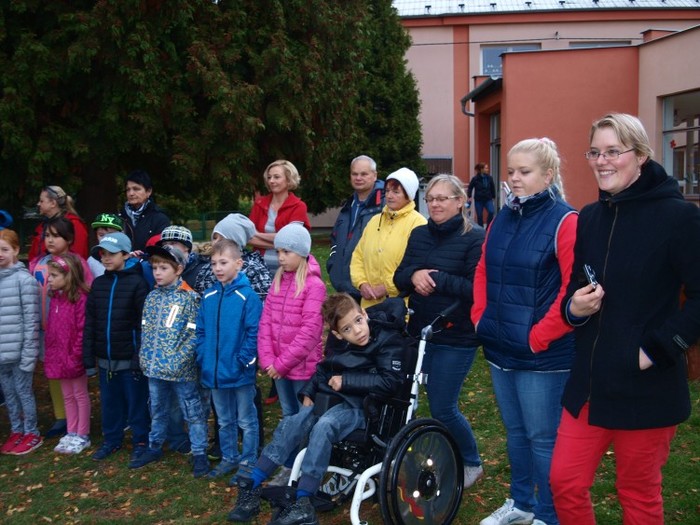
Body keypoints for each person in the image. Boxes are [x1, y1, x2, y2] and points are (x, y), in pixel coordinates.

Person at [549, 113, 700, 525]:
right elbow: (576, 287)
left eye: (613, 151)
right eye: (594, 152)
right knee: (564, 482)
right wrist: (573, 309)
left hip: (646, 386)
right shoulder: (590, 217)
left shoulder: (679, 218)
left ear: (641, 155)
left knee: (638, 492)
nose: (602, 161)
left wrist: (657, 349)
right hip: (590, 383)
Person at [227, 293, 409, 525]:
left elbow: (391, 382)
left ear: (364, 314)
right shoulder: (342, 345)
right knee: (296, 420)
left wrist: (346, 381)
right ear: (338, 334)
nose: (357, 331)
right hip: (339, 401)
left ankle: (304, 499)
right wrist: (309, 392)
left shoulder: (389, 340)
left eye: (358, 321)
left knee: (324, 425)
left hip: (370, 410)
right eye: (347, 329)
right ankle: (253, 482)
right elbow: (324, 369)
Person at [472, 138, 577, 525]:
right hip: (500, 349)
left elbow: (572, 291)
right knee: (516, 433)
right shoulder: (504, 216)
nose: (514, 178)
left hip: (543, 356)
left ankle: (548, 515)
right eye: (511, 171)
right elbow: (483, 268)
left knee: (543, 439)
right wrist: (480, 317)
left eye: (524, 172)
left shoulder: (565, 221)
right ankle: (521, 504)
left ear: (548, 175)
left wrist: (537, 338)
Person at [394, 173, 486, 489]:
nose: (434, 204)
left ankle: (471, 461)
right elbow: (399, 276)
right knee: (409, 400)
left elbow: (476, 288)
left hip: (456, 336)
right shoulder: (419, 234)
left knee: (443, 406)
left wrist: (437, 279)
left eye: (442, 198)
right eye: (430, 199)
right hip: (418, 332)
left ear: (460, 202)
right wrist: (414, 275)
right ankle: (432, 452)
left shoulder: (475, 238)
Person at [128, 244, 210, 477]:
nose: (157, 272)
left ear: (178, 269)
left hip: (181, 371)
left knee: (192, 411)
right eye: (155, 267)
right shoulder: (152, 297)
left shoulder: (189, 298)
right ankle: (154, 446)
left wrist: (179, 360)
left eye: (164, 268)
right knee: (157, 409)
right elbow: (146, 331)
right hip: (155, 370)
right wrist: (145, 358)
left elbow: (194, 335)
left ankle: (199, 453)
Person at [257, 223, 326, 484]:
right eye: (278, 252)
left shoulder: (314, 286)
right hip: (279, 368)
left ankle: (299, 467)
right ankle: (288, 463)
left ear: (301, 252)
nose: (280, 257)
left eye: (286, 252)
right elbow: (265, 323)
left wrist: (281, 364)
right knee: (288, 416)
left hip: (301, 369)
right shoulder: (278, 281)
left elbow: (309, 333)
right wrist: (268, 360)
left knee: (302, 419)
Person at [196, 240, 263, 482]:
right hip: (214, 373)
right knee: (224, 420)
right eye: (214, 263)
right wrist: (204, 357)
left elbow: (254, 333)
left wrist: (242, 361)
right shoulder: (209, 296)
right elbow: (200, 331)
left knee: (246, 420)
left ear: (238, 263)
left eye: (223, 262)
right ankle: (229, 457)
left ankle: (248, 461)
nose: (218, 268)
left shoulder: (248, 297)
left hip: (239, 372)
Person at [83, 232, 151, 463]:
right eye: (103, 254)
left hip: (130, 360)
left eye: (111, 253)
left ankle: (141, 441)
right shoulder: (99, 284)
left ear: (125, 255)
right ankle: (111, 440)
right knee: (110, 404)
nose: (106, 258)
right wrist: (89, 358)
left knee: (136, 403)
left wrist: (138, 357)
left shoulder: (137, 283)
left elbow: (143, 324)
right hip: (106, 360)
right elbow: (91, 322)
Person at [29, 216, 93, 439]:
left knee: (77, 389)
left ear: (69, 239)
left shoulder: (77, 266)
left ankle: (80, 430)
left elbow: (83, 313)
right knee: (59, 381)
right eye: (47, 235)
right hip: (52, 335)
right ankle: (64, 421)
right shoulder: (39, 264)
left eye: (56, 236)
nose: (50, 240)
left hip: (72, 342)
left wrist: (78, 350)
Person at [351, 167, 427, 308]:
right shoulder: (374, 221)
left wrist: (387, 287)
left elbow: (416, 265)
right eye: (387, 191)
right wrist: (361, 283)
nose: (389, 196)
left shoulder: (418, 223)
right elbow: (358, 256)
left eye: (396, 192)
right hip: (369, 305)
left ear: (408, 195)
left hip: (400, 306)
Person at [44, 254, 92, 454]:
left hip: (74, 357)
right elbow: (52, 329)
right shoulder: (55, 298)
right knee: (67, 395)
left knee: (79, 394)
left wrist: (76, 355)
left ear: (68, 275)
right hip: (59, 356)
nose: (49, 279)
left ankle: (83, 433)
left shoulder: (80, 299)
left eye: (54, 275)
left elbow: (81, 330)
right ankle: (71, 431)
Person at [0, 228, 42, 455]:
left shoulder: (24, 281)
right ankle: (16, 430)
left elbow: (31, 320)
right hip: (2, 354)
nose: (0, 254)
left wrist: (29, 354)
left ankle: (31, 432)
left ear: (16, 250)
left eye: (4, 249)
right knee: (9, 394)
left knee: (24, 393)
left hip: (20, 352)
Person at [327, 155, 385, 301]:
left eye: (364, 174)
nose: (358, 178)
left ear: (374, 175)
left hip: (371, 290)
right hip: (343, 286)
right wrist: (333, 264)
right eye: (354, 174)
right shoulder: (349, 205)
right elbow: (335, 238)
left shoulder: (384, 205)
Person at [249, 160, 311, 272]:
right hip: (259, 268)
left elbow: (292, 239)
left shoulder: (298, 206)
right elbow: (248, 237)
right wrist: (282, 246)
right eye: (269, 177)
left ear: (289, 179)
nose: (271, 181)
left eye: (276, 177)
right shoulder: (259, 204)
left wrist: (258, 235)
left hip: (288, 270)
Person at [212, 213, 273, 300]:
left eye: (222, 239)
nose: (215, 242)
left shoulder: (254, 270)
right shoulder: (207, 267)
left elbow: (263, 301)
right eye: (214, 238)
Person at [28, 185, 89, 260]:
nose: (38, 204)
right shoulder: (42, 226)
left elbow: (78, 257)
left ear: (53, 203)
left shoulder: (74, 224)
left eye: (41, 201)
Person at [118, 170, 170, 252]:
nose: (131, 193)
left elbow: (162, 250)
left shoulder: (160, 219)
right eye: (128, 189)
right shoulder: (120, 217)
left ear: (148, 191)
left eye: (136, 189)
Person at [157, 225, 216, 295]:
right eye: (164, 244)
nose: (167, 247)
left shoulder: (205, 270)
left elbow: (207, 298)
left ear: (186, 247)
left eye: (173, 243)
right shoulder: (158, 269)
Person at [87, 213, 125, 278]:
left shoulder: (128, 257)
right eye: (101, 235)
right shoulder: (91, 261)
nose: (106, 238)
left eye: (111, 234)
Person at [467, 163, 496, 228]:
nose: (487, 169)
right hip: (478, 200)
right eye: (486, 168)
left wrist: (493, 196)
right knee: (479, 215)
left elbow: (492, 187)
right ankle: (481, 229)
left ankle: (488, 227)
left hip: (488, 199)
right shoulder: (475, 178)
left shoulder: (489, 178)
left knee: (491, 211)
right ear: (481, 169)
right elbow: (470, 187)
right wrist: (469, 196)